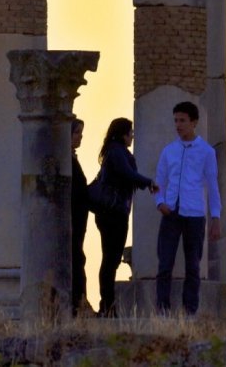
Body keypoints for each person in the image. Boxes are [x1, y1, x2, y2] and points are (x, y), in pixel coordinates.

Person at [153, 101, 222, 316]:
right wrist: (160, 202)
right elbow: (159, 181)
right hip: (171, 213)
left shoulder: (206, 152)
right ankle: (162, 310)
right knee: (165, 264)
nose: (178, 125)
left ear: (194, 122)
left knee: (193, 266)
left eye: (182, 120)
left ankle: (189, 311)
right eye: (176, 120)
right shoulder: (169, 151)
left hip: (194, 214)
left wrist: (216, 216)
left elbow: (212, 185)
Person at [93, 116, 157, 317]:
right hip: (113, 213)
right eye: (131, 133)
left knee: (110, 259)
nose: (133, 136)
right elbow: (127, 174)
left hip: (110, 213)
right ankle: (107, 306)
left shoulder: (114, 151)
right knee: (110, 260)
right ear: (123, 135)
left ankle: (107, 305)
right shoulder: (117, 151)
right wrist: (149, 182)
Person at [70, 118, 90, 315]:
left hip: (78, 221)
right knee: (76, 260)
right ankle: (79, 303)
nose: (80, 137)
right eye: (77, 133)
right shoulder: (67, 161)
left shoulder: (71, 159)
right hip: (72, 222)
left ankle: (80, 303)